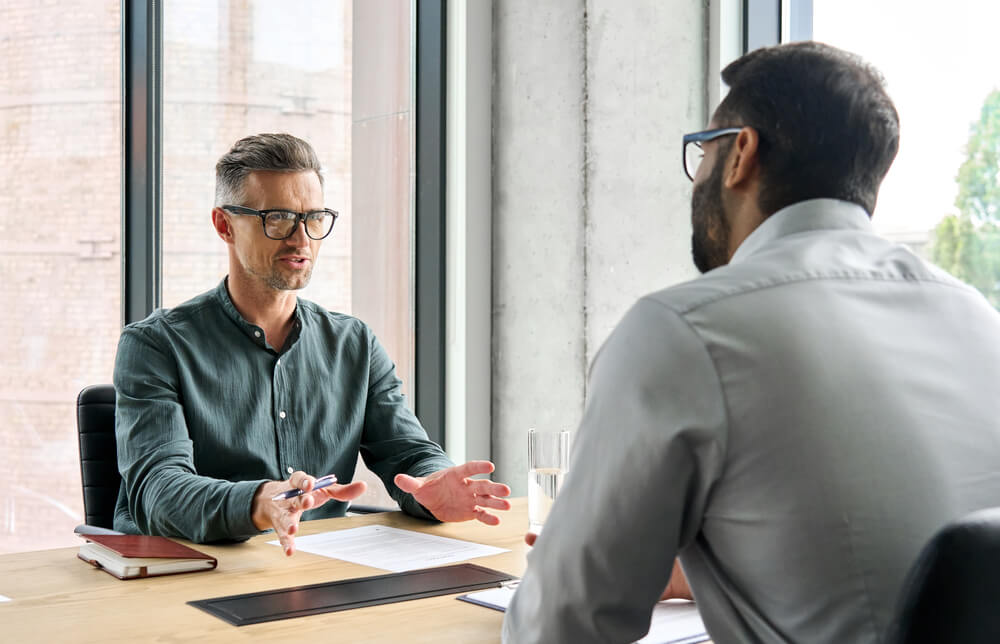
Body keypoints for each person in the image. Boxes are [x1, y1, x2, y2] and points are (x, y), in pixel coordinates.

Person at [503, 41, 1000, 643]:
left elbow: (559, 627)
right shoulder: (976, 318)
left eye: (703, 152)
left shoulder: (686, 331)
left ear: (740, 152)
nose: (698, 182)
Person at [113, 133, 510, 554]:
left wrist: (432, 483)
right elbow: (158, 491)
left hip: (316, 574)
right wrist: (259, 503)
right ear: (224, 224)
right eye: (279, 218)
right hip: (191, 581)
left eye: (314, 217)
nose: (301, 239)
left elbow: (409, 454)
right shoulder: (155, 346)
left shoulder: (353, 343)